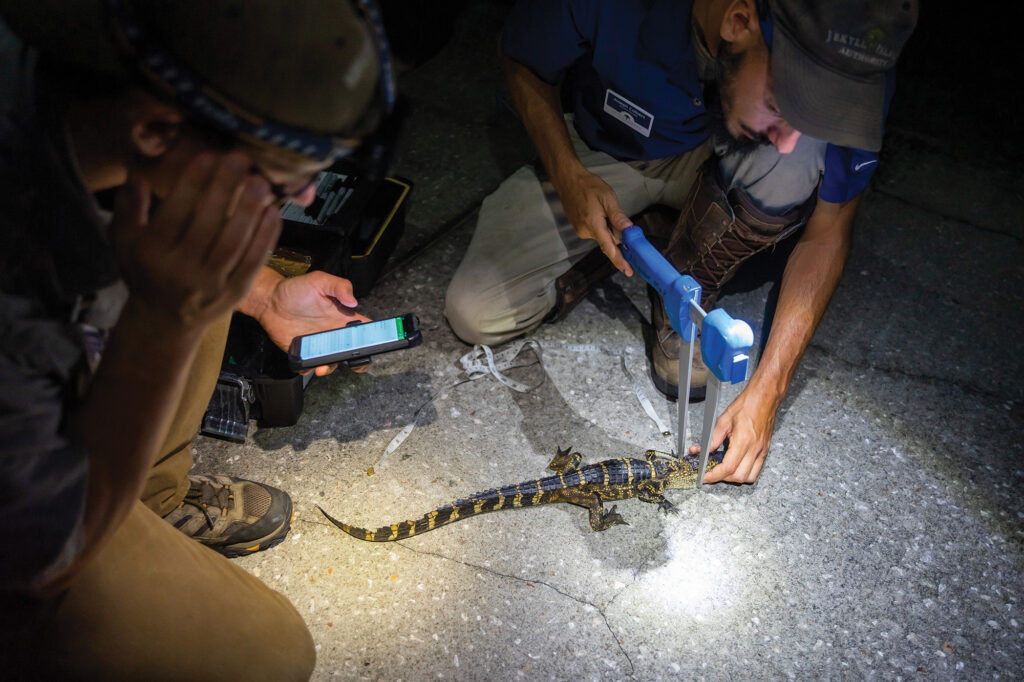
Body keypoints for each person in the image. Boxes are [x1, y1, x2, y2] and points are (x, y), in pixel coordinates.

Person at [0, 0, 395, 678]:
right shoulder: (15, 300)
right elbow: (48, 556)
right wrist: (164, 320)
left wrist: (264, 291)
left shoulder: (80, 89)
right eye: (281, 177)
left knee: (209, 252)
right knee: (267, 654)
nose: (304, 198)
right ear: (156, 127)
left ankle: (150, 497)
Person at [444, 0, 916, 485]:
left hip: (729, 166)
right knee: (477, 311)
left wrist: (768, 392)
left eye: (816, 114)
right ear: (739, 21)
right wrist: (567, 175)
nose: (792, 137)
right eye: (783, 105)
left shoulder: (853, 39)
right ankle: (629, 240)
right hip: (611, 149)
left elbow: (829, 228)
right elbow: (522, 58)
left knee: (792, 158)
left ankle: (689, 272)